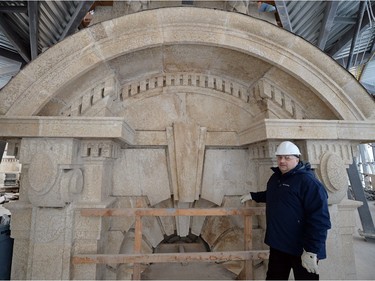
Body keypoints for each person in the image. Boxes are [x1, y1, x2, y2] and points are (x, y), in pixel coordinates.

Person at [240, 141, 331, 280]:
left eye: (287, 158)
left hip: (302, 248)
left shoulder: (309, 183)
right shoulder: (277, 177)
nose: (282, 161)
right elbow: (274, 195)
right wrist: (254, 196)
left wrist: (312, 251)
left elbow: (320, 220)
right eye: (279, 157)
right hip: (278, 244)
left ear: (297, 158)